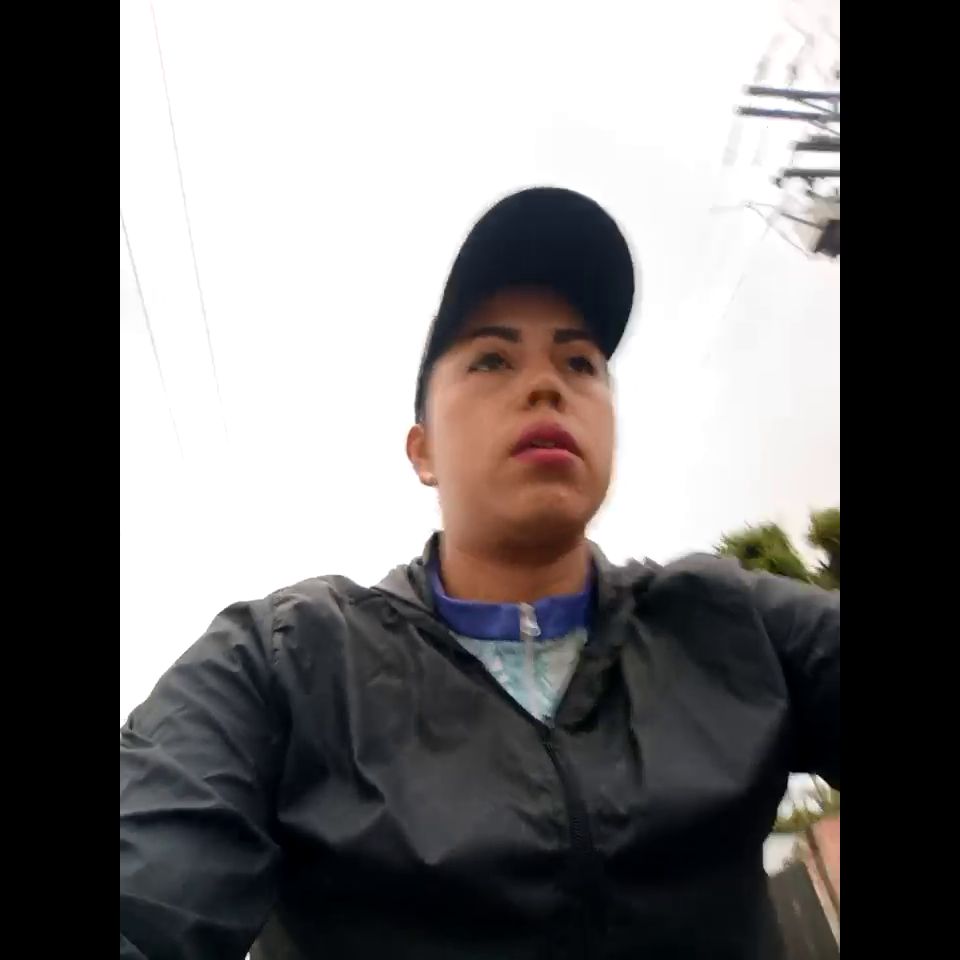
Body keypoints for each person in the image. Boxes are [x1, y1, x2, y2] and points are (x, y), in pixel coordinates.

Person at [120, 187, 839, 960]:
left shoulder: (729, 622)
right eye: (493, 358)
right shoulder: (286, 661)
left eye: (580, 362)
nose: (547, 385)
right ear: (423, 451)